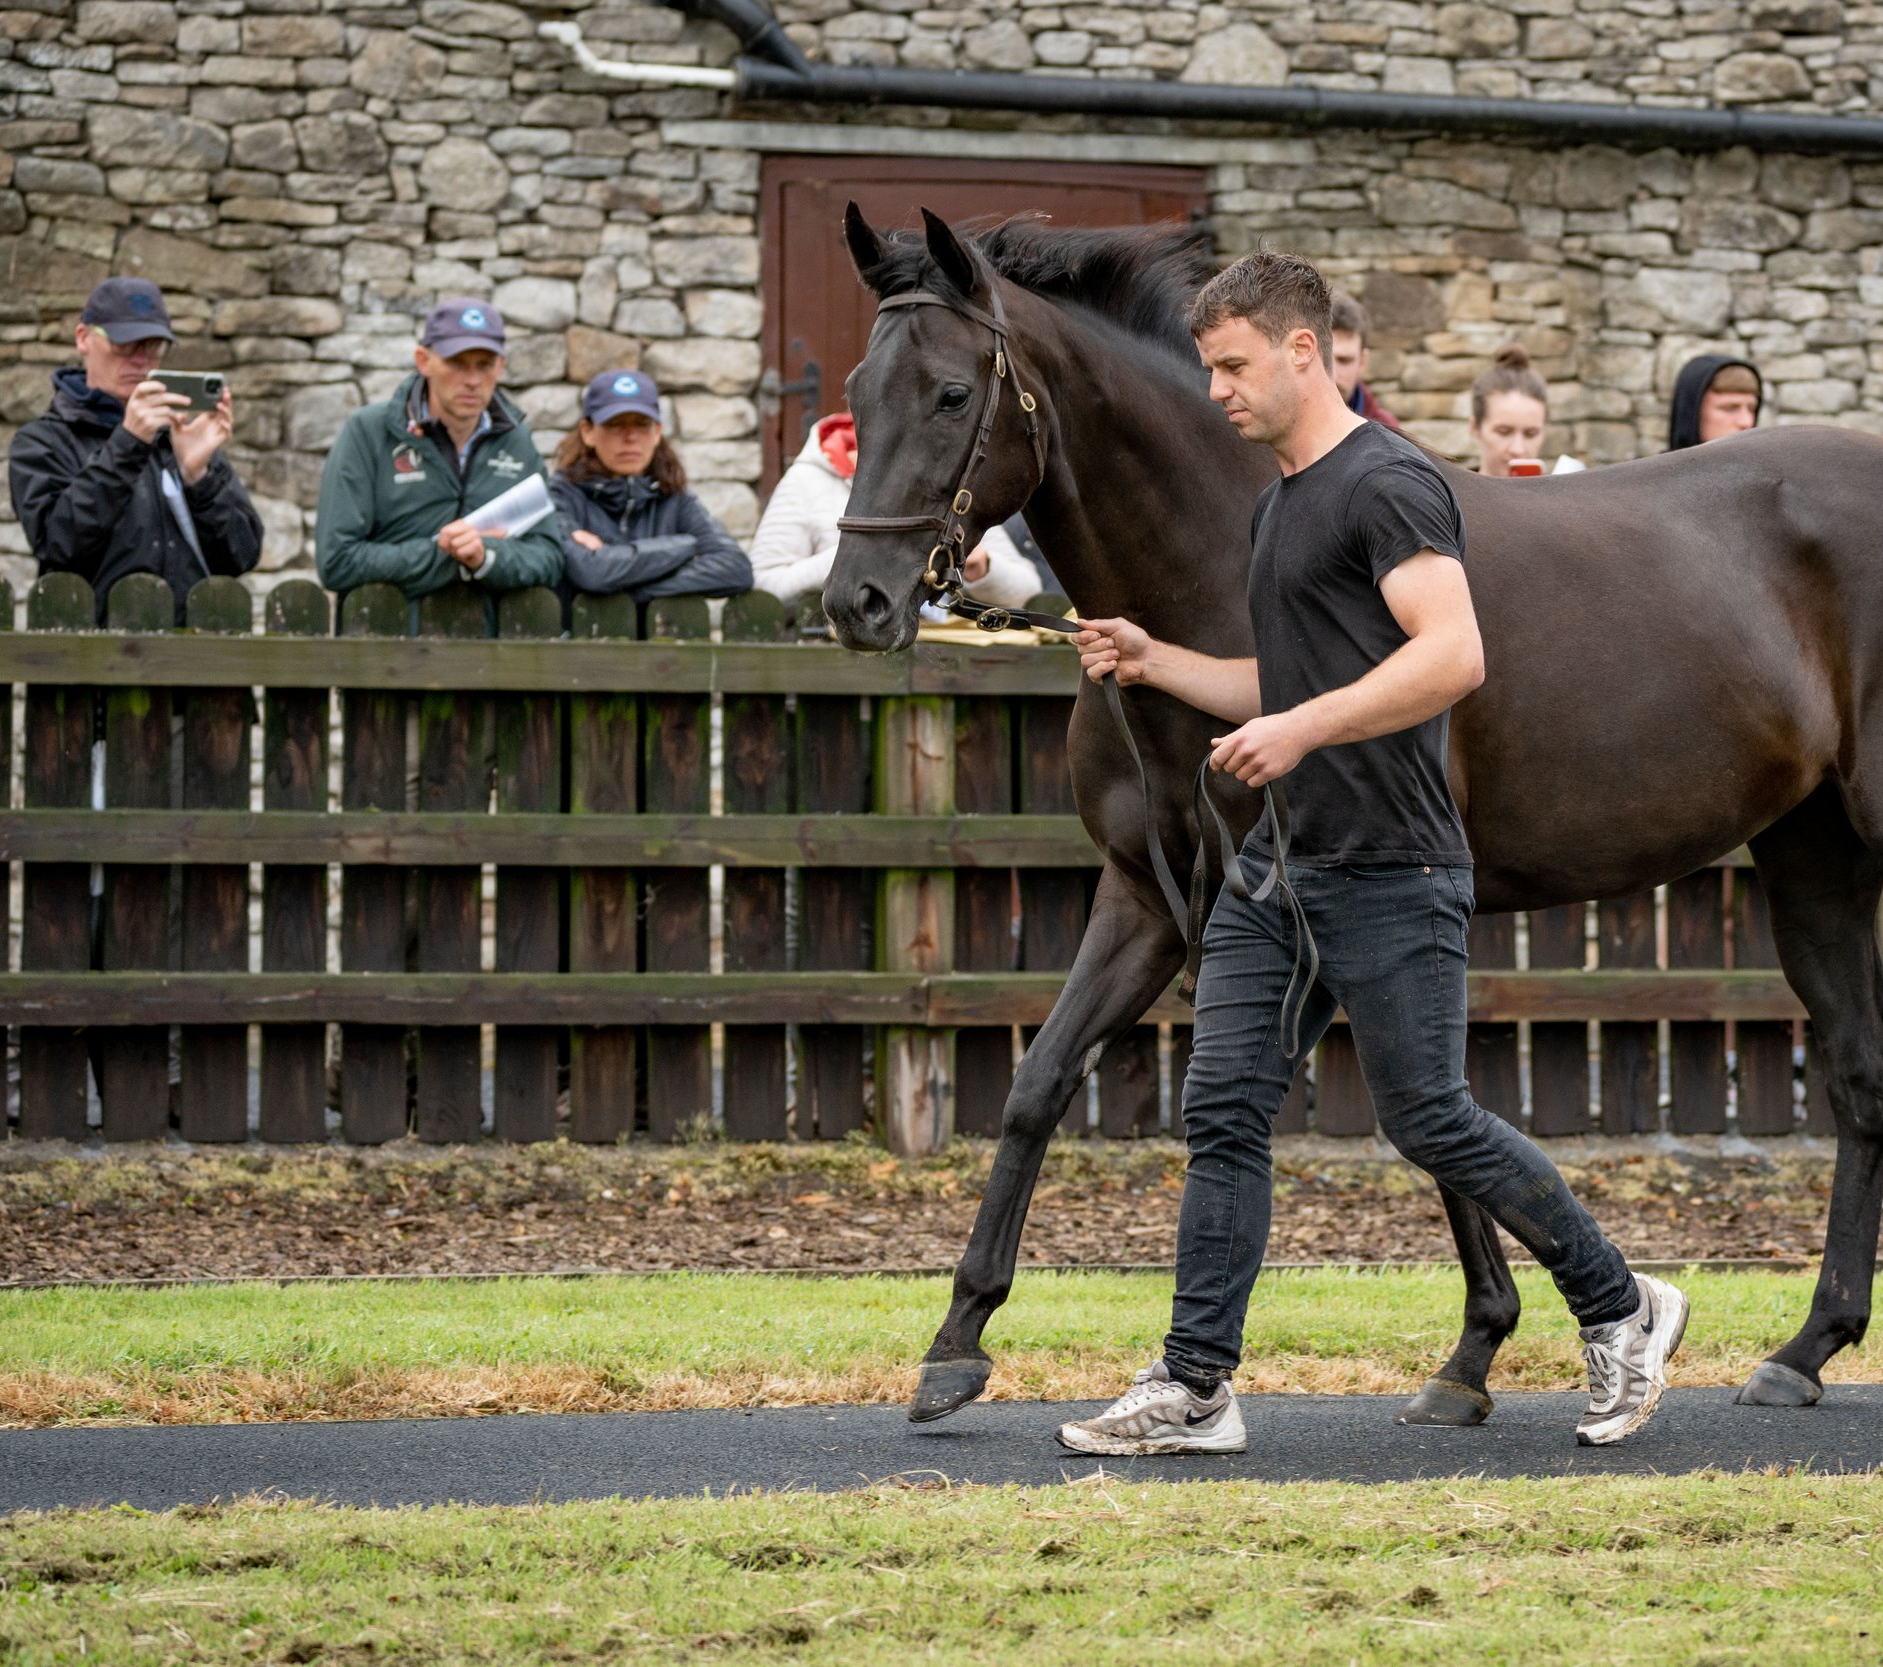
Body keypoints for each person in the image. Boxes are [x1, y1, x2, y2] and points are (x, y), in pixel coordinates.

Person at [1057, 252, 1686, 1457]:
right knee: (1225, 1107)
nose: (1216, 390)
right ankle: (1196, 1385)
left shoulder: (1387, 483)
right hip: (1280, 871)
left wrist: (1299, 727)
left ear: (1304, 351)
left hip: (1392, 864)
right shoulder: (1281, 501)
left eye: (1233, 365)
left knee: (1431, 1120)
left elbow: (1452, 654)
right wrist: (1153, 660)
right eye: (1206, 367)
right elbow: (1277, 681)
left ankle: (1623, 1303)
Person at [8, 277, 261, 618]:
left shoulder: (179, 435)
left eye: (153, 346)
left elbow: (243, 556)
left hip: (189, 659)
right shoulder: (42, 441)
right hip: (90, 660)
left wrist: (198, 477)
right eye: (126, 345)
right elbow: (58, 544)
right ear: (84, 338)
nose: (142, 361)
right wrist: (129, 443)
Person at [315, 297, 565, 599]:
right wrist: (447, 555)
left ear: (501, 366)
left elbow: (550, 558)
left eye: (484, 365)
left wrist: (486, 557)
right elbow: (337, 562)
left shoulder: (516, 440)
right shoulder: (368, 432)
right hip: (386, 641)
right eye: (456, 363)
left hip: (493, 645)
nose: (472, 380)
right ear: (424, 361)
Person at [749, 410, 1041, 616]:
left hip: (951, 675)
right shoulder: (808, 480)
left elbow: (1028, 590)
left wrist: (983, 568)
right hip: (838, 673)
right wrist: (854, 553)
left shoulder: (950, 481)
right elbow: (765, 588)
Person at [548, 370, 751, 607]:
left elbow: (735, 568)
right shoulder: (560, 495)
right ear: (588, 432)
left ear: (657, 433)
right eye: (615, 424)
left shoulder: (674, 496)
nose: (630, 436)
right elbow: (592, 572)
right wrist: (686, 545)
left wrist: (631, 591)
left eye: (642, 424)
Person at [1327, 291, 1403, 432]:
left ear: (1362, 361)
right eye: (1324, 359)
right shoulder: (1278, 427)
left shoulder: (1389, 432)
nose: (1333, 374)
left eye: (1344, 360)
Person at [1467, 344, 1548, 477]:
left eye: (1531, 434)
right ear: (1475, 428)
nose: (1518, 450)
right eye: (1503, 432)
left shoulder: (1563, 496)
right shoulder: (1449, 496)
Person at [1665, 354, 1762, 451]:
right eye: (1730, 408)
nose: (1746, 422)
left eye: (1752, 409)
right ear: (1692, 412)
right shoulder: (1657, 466)